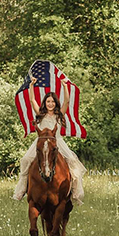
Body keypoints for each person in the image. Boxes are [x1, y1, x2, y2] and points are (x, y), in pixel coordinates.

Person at [13, 76, 87, 205]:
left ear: (55, 103)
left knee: (73, 162)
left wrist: (64, 86)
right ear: (45, 103)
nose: (50, 104)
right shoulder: (40, 114)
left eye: (53, 102)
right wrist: (31, 86)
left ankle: (75, 191)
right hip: (41, 142)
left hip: (57, 141)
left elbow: (67, 102)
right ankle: (22, 189)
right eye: (48, 102)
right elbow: (31, 100)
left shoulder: (59, 115)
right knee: (25, 160)